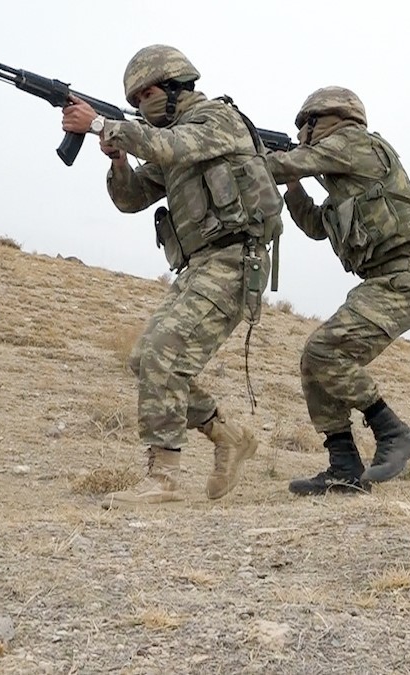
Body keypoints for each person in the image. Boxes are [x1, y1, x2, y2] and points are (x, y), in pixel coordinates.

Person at [61, 45, 284, 507]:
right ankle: (228, 436)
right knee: (147, 359)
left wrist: (104, 124)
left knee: (164, 352)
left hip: (233, 263)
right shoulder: (170, 139)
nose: (140, 105)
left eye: (145, 95)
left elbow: (172, 146)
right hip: (199, 266)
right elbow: (131, 199)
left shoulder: (215, 120)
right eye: (135, 99)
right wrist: (117, 159)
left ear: (173, 86)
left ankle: (163, 478)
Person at [264, 87, 410, 495]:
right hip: (385, 282)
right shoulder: (345, 183)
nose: (305, 136)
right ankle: (343, 466)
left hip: (403, 279)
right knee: (315, 360)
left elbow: (282, 163)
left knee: (326, 351)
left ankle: (392, 432)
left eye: (307, 128)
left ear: (318, 122)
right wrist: (293, 186)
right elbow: (312, 225)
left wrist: (253, 157)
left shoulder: (355, 143)